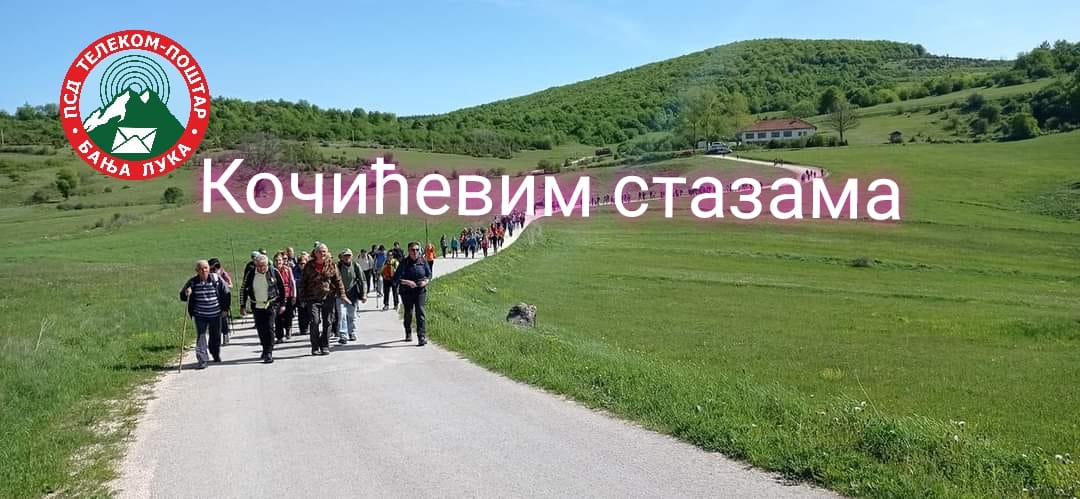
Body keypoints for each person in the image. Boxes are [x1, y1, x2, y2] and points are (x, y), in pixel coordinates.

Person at [298, 243, 350, 356]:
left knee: (328, 322)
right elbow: (302, 282)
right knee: (315, 321)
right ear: (315, 253)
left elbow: (338, 281)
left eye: (324, 252)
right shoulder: (309, 266)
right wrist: (301, 298)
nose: (322, 254)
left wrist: (342, 295)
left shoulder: (332, 265)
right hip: (312, 298)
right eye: (320, 252)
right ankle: (315, 346)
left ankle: (325, 345)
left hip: (328, 297)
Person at [180, 260, 231, 369]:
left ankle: (215, 354)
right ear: (196, 270)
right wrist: (186, 292)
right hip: (200, 315)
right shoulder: (192, 282)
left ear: (209, 269)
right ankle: (202, 360)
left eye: (205, 268)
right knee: (201, 336)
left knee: (215, 336)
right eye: (201, 269)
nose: (203, 270)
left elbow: (226, 293)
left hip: (215, 314)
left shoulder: (216, 279)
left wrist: (225, 309)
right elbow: (182, 296)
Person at [241, 254, 286, 363]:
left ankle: (268, 352)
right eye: (259, 266)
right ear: (255, 265)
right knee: (261, 329)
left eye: (264, 265)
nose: (262, 268)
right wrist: (242, 306)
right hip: (257, 306)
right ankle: (265, 348)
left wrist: (283, 304)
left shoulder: (274, 272)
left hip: (271, 304)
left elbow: (282, 288)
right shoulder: (251, 274)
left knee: (269, 327)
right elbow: (243, 289)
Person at [393, 241, 432, 346]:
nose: (415, 252)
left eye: (417, 250)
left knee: (420, 312)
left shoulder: (423, 261)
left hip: (420, 290)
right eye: (412, 250)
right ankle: (408, 332)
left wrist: (425, 282)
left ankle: (421, 336)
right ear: (408, 251)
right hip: (407, 292)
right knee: (408, 313)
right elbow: (396, 279)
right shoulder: (404, 263)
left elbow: (429, 274)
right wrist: (407, 282)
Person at [336, 248, 366, 344]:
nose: (347, 257)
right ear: (342, 257)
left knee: (351, 315)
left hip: (352, 295)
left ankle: (351, 332)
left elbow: (362, 280)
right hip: (340, 295)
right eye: (345, 256)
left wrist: (364, 294)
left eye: (348, 255)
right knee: (342, 315)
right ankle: (343, 335)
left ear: (351, 256)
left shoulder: (356, 266)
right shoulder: (338, 267)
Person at [208, 258, 234, 345]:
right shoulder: (208, 275)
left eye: (214, 268)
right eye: (211, 268)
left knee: (223, 319)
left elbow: (231, 285)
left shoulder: (223, 273)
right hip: (212, 300)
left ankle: (225, 334)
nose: (213, 270)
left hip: (223, 299)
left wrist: (224, 285)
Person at [274, 252, 297, 342]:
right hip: (276, 297)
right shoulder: (272, 271)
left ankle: (288, 329)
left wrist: (294, 295)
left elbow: (292, 282)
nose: (278, 262)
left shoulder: (288, 269)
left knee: (288, 315)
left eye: (279, 260)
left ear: (282, 261)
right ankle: (279, 336)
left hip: (288, 295)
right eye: (276, 260)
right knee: (278, 317)